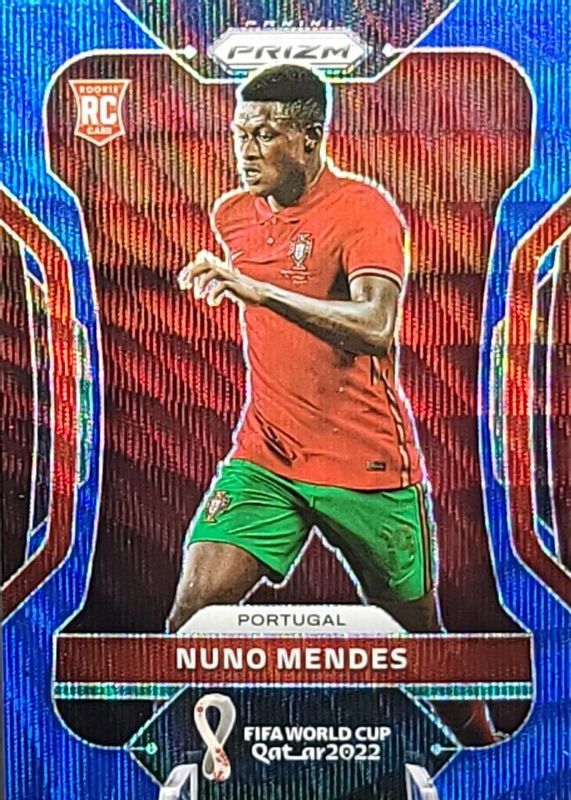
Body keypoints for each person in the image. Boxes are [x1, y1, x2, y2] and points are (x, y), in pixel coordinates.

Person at [169, 63, 497, 746]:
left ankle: (482, 749)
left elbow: (376, 325)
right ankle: (201, 761)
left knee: (418, 643)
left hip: (367, 467)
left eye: (266, 134)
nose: (247, 149)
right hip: (266, 457)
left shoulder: (363, 210)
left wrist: (261, 293)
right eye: (240, 133)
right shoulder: (232, 214)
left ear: (311, 137)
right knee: (192, 619)